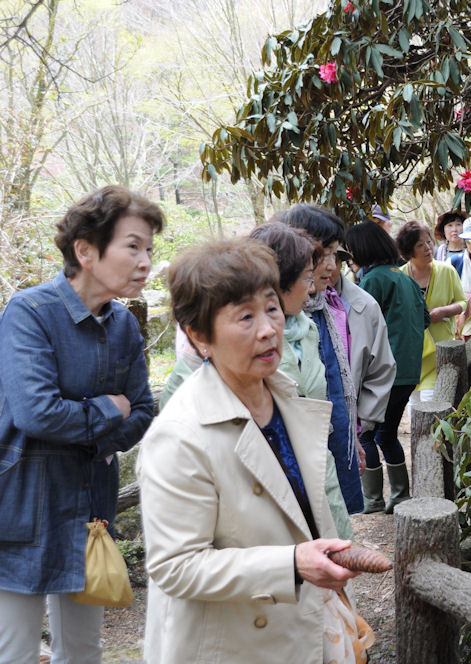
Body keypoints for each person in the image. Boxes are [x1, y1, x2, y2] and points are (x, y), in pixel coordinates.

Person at [139, 239, 372, 664]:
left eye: (271, 307)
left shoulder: (285, 398)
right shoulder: (179, 434)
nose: (268, 328)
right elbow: (176, 566)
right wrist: (290, 566)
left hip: (302, 626)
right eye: (245, 316)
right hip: (234, 644)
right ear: (198, 335)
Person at [0, 185, 161, 663]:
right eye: (133, 246)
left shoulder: (124, 324)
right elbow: (36, 413)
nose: (145, 260)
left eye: (149, 248)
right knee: (16, 651)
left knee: (84, 651)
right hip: (22, 504)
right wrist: (110, 411)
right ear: (86, 250)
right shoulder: (29, 312)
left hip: (91, 505)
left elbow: (145, 410)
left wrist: (100, 423)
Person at [281, 205, 396, 513]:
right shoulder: (283, 318)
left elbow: (357, 374)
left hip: (338, 438)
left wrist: (355, 431)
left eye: (337, 255)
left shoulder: (329, 307)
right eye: (325, 254)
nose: (331, 265)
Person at [248, 222, 356, 534]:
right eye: (306, 277)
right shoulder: (240, 346)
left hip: (319, 472)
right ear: (281, 280)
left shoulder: (306, 329)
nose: (312, 288)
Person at [344, 221, 429, 514]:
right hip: (408, 370)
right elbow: (425, 318)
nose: (348, 256)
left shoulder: (373, 280)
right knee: (386, 433)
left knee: (367, 433)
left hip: (386, 370)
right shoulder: (404, 277)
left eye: (350, 250)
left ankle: (374, 498)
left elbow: (361, 327)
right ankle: (400, 495)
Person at [397, 221, 466, 400]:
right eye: (420, 245)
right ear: (408, 250)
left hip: (440, 351)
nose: (428, 247)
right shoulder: (399, 277)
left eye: (429, 242)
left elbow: (462, 302)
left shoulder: (447, 271)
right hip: (411, 354)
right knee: (413, 405)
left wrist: (444, 311)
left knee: (430, 401)